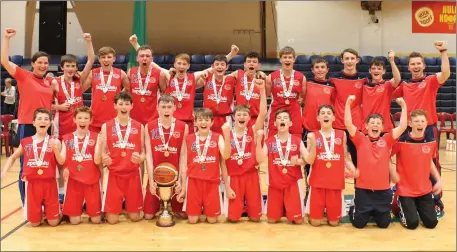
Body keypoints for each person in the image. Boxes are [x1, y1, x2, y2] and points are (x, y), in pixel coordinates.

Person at [129, 35, 238, 132]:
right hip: (171, 120)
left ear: (188, 66)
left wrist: (231, 55)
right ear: (174, 65)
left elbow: (213, 68)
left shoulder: (193, 77)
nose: (181, 66)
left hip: (188, 122)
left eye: (184, 64)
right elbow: (149, 61)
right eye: (179, 63)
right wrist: (135, 44)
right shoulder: (168, 76)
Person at [393, 41, 450, 213]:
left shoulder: (431, 81)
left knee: (432, 163)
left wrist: (443, 52)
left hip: (429, 128)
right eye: (413, 64)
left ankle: (436, 199)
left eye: (419, 63)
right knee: (406, 164)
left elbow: (446, 73)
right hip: (407, 131)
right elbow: (387, 92)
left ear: (424, 66)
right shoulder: (403, 85)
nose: (416, 66)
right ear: (409, 67)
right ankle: (405, 196)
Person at [1, 28, 55, 205]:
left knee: (44, 165)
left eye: (46, 63)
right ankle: (27, 203)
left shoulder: (48, 82)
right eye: (40, 62)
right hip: (28, 126)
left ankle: (42, 200)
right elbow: (4, 61)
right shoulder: (24, 76)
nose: (43, 65)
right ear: (33, 63)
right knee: (27, 166)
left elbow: (48, 104)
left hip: (46, 127)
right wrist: (7, 39)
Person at [345, 95, 407, 229]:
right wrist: (348, 104)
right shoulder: (360, 139)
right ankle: (354, 206)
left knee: (384, 224)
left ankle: (374, 210)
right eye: (372, 122)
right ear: (366, 126)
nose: (375, 125)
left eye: (378, 123)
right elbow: (348, 124)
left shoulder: (387, 139)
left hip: (383, 191)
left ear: (382, 127)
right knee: (359, 224)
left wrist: (403, 106)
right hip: (364, 190)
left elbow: (402, 126)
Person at [1, 108, 61, 227]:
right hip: (32, 184)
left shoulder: (55, 142)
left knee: (53, 223)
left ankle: (58, 211)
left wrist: (56, 151)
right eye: (39, 119)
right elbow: (13, 157)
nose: (42, 121)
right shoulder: (26, 141)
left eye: (46, 119)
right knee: (34, 223)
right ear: (33, 123)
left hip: (50, 183)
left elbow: (61, 161)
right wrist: (4, 170)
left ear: (50, 123)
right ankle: (41, 212)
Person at [256, 109, 315, 224]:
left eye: (285, 117)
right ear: (274, 124)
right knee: (272, 220)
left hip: (292, 183)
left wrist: (299, 161)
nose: (282, 119)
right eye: (279, 118)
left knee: (298, 221)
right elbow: (259, 159)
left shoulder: (297, 141)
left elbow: (309, 159)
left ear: (290, 123)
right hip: (275, 184)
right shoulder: (269, 141)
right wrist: (258, 140)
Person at [95, 92, 145, 224]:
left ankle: (126, 206)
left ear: (132, 106)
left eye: (127, 104)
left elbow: (144, 151)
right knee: (112, 221)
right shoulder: (106, 126)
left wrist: (140, 158)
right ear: (115, 106)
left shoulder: (140, 126)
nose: (124, 107)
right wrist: (104, 156)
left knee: (135, 218)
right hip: (113, 173)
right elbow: (103, 150)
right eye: (121, 104)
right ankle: (116, 207)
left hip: (132, 173)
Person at [304, 105, 357, 227]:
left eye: (328, 113)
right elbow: (308, 160)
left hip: (335, 183)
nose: (326, 115)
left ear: (334, 117)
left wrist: (353, 168)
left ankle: (332, 211)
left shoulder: (341, 134)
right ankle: (313, 212)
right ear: (318, 118)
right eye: (322, 113)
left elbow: (345, 157)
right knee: (315, 223)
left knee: (334, 223)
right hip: (317, 182)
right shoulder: (312, 136)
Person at [223, 78, 267, 222]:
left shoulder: (253, 130)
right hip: (234, 176)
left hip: (251, 175)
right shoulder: (227, 132)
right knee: (233, 218)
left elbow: (263, 114)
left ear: (249, 118)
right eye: (239, 115)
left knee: (255, 218)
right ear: (233, 117)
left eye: (245, 115)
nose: (242, 117)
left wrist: (262, 90)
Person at [178, 108, 232, 224]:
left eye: (207, 120)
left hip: (211, 182)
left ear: (212, 122)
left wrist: (227, 136)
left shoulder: (218, 137)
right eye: (200, 120)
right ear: (195, 122)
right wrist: (183, 189)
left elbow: (226, 155)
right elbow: (184, 164)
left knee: (212, 220)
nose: (203, 123)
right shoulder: (188, 139)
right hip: (193, 181)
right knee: (192, 220)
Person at [391, 109, 442, 230]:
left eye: (422, 121)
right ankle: (397, 202)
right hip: (405, 189)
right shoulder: (401, 140)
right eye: (416, 121)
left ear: (426, 123)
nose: (419, 123)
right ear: (410, 123)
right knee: (412, 224)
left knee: (431, 223)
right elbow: (386, 157)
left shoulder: (431, 141)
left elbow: (429, 162)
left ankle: (416, 207)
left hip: (424, 189)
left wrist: (438, 180)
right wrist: (392, 173)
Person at [54, 106, 102, 225]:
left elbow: (97, 161)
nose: (83, 121)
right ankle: (75, 209)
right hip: (73, 182)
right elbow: (61, 161)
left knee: (96, 221)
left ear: (91, 121)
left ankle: (92, 210)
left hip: (92, 181)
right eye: (79, 118)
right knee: (74, 221)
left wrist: (101, 145)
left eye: (86, 118)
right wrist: (55, 149)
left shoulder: (96, 137)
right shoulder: (67, 138)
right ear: (74, 120)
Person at [143, 95, 189, 220]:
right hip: (157, 175)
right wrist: (151, 180)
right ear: (157, 108)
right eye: (163, 107)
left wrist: (181, 181)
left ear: (175, 108)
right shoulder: (149, 126)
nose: (166, 110)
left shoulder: (183, 127)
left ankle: (169, 203)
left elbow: (184, 155)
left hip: (174, 177)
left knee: (183, 215)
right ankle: (162, 203)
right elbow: (148, 155)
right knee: (148, 216)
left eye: (169, 107)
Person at [329, 48, 368, 169]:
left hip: (356, 124)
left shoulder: (364, 79)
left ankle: (360, 187)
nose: (349, 61)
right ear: (342, 60)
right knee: (336, 158)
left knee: (358, 158)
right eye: (347, 58)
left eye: (352, 58)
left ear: (357, 60)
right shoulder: (334, 79)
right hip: (338, 123)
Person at [51, 33, 94, 140]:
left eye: (73, 66)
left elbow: (91, 60)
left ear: (76, 68)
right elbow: (46, 104)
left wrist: (88, 42)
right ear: (62, 67)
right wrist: (59, 107)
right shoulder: (55, 82)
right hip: (63, 122)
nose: (70, 69)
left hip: (80, 121)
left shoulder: (79, 79)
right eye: (67, 66)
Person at [82, 47, 130, 133]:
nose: (106, 60)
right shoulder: (93, 73)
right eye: (103, 57)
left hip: (114, 119)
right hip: (95, 119)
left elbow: (130, 89)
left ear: (114, 59)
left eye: (109, 57)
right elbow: (80, 90)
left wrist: (120, 95)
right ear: (99, 59)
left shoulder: (121, 73)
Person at [266, 46, 306, 139]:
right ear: (280, 59)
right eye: (284, 57)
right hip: (276, 112)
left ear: (294, 59)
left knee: (296, 141)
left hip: (294, 112)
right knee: (272, 141)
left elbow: (302, 96)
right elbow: (268, 94)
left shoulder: (301, 77)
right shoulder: (271, 77)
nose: (287, 60)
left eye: (290, 57)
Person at [362, 50, 401, 134]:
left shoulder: (387, 85)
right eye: (374, 68)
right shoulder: (363, 86)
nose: (376, 71)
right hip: (367, 127)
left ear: (383, 71)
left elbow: (397, 79)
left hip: (385, 127)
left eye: (379, 69)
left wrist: (392, 61)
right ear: (370, 70)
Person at [127, 44, 165, 125]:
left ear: (152, 59)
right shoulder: (131, 72)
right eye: (142, 56)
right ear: (137, 58)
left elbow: (165, 93)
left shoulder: (159, 74)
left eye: (147, 56)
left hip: (153, 118)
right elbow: (126, 91)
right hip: (134, 118)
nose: (144, 58)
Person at [200, 55, 235, 134]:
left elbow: (245, 75)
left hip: (226, 118)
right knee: (208, 143)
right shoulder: (205, 78)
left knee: (225, 144)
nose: (219, 67)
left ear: (227, 67)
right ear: (212, 66)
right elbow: (191, 78)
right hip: (208, 118)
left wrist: (260, 73)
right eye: (217, 64)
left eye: (222, 64)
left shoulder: (231, 80)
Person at [232, 51, 264, 127]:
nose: (251, 63)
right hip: (240, 118)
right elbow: (221, 77)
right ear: (245, 64)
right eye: (249, 61)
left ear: (259, 65)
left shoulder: (262, 77)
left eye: (254, 62)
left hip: (257, 118)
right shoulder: (237, 74)